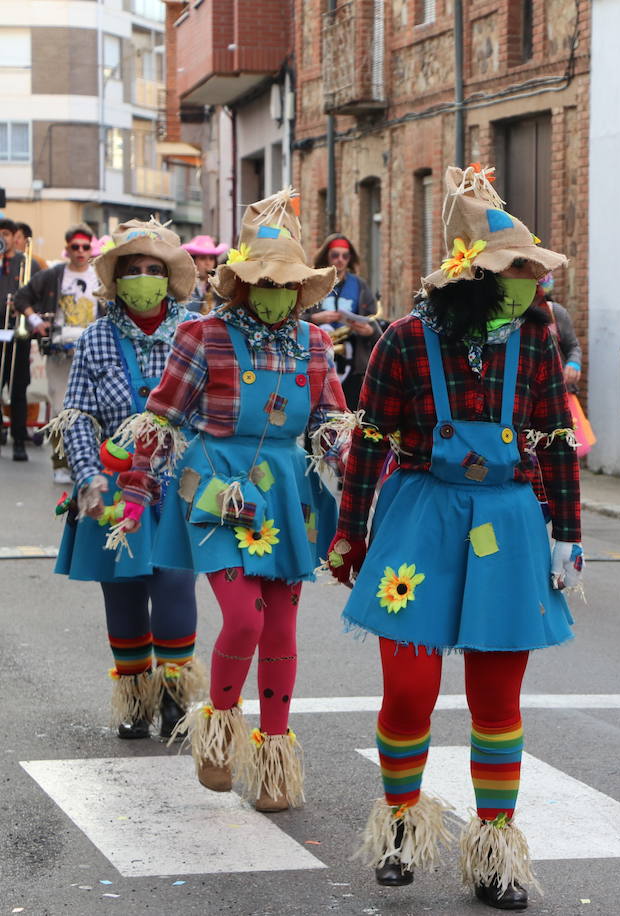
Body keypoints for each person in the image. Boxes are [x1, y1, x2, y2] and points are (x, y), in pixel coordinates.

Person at [328, 164, 582, 909]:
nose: (531, 284)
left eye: (534, 271)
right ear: (470, 275)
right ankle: (401, 831)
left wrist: (567, 536)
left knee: (498, 702)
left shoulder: (536, 342)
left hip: (508, 520)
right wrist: (350, 536)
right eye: (515, 270)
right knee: (408, 693)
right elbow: (369, 440)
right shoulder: (403, 342)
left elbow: (557, 441)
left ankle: (495, 853)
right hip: (419, 516)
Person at [113, 189, 351, 813]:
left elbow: (332, 423)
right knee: (243, 619)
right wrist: (136, 494)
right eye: (264, 280)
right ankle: (218, 729)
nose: (277, 292)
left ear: (301, 287)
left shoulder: (316, 345)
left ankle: (273, 760)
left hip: (289, 492)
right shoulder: (202, 336)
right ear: (242, 282)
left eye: (288, 282)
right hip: (217, 487)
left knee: (281, 626)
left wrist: (351, 471)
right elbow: (161, 421)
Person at [45, 219, 203, 740]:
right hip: (114, 486)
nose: (142, 278)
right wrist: (88, 480)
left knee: (176, 585)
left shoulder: (196, 332)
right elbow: (80, 418)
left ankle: (176, 699)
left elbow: (212, 412)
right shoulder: (95, 337)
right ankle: (136, 697)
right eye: (132, 270)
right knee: (124, 593)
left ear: (168, 276)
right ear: (117, 278)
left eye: (152, 269)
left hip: (177, 484)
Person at [17, 224, 103, 484]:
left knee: (92, 410)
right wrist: (36, 322)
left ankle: (87, 462)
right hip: (58, 352)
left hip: (92, 351)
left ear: (91, 248)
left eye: (85, 247)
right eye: (75, 247)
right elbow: (22, 298)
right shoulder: (53, 275)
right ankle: (60, 463)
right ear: (67, 249)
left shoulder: (100, 277)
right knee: (60, 408)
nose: (80, 251)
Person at [309, 234, 379, 408]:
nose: (340, 260)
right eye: (335, 255)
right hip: (315, 362)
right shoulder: (312, 281)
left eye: (345, 256)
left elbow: (374, 323)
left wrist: (370, 332)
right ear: (326, 255)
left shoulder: (360, 285)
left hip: (352, 365)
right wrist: (314, 318)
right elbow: (293, 317)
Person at [0, 218, 33, 459]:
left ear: (14, 236)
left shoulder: (26, 262)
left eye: (5, 234)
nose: (3, 239)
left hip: (17, 331)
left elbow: (36, 294)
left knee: (18, 389)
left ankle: (19, 440)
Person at [536, 273, 582, 390]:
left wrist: (573, 363)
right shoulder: (512, 315)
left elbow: (573, 346)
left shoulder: (556, 312)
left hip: (558, 390)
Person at [181, 235, 227, 313]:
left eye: (211, 259)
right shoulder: (183, 285)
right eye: (202, 258)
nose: (208, 263)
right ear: (193, 261)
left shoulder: (219, 286)